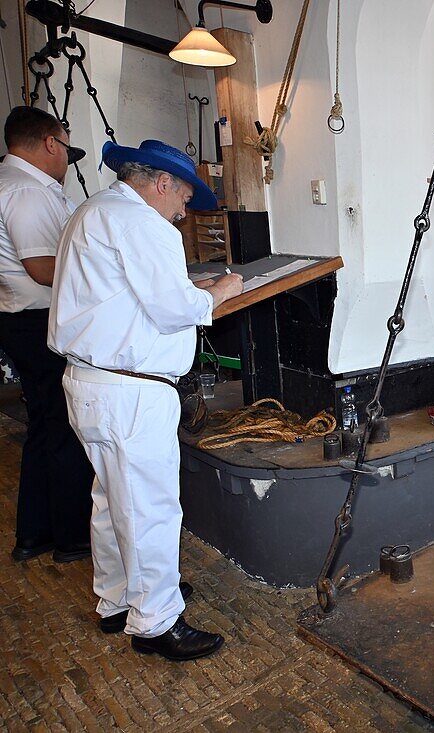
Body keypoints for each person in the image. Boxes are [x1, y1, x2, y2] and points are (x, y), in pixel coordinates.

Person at [48, 139, 243, 660]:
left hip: (90, 380)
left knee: (111, 500)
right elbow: (172, 308)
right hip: (130, 391)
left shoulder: (92, 209)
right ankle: (157, 621)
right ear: (160, 184)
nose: (183, 212)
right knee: (150, 506)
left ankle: (118, 602)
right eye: (183, 198)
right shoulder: (143, 223)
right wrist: (221, 289)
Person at [0, 106, 96, 563]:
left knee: (43, 426)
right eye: (65, 147)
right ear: (51, 144)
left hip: (19, 320)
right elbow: (42, 268)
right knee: (65, 427)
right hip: (38, 320)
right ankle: (71, 537)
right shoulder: (27, 191)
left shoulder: (8, 183)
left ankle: (34, 534)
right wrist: (107, 275)